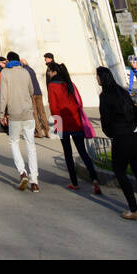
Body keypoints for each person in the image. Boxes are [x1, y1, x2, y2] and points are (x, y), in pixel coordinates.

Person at [97, 65, 137, 221]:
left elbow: (105, 121)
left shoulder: (105, 96)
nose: (96, 79)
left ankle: (134, 208)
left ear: (101, 78)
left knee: (120, 171)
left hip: (122, 137)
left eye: (97, 76)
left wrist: (112, 133)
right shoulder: (122, 91)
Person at [46, 61, 102, 193]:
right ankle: (94, 179)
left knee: (68, 153)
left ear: (54, 72)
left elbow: (54, 108)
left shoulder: (52, 86)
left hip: (63, 124)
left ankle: (74, 182)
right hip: (76, 122)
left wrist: (56, 126)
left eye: (49, 70)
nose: (48, 73)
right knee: (83, 152)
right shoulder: (70, 84)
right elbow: (79, 102)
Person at [0, 51, 39, 191]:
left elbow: (3, 95)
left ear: (8, 61)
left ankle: (22, 172)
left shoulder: (5, 73)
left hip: (14, 114)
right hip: (27, 113)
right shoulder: (25, 72)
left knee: (14, 142)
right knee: (31, 146)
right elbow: (31, 90)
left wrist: (1, 113)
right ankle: (34, 181)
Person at [20, 57, 50, 139]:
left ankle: (39, 132)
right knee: (42, 112)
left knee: (35, 113)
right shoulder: (31, 69)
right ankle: (47, 131)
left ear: (22, 64)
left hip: (32, 94)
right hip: (38, 92)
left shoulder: (24, 71)